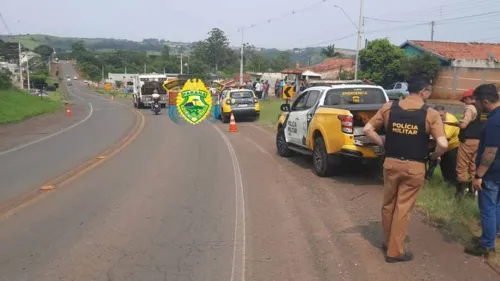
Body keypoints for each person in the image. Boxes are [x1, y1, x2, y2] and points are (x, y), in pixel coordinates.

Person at [363, 75, 448, 263]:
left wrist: (383, 145)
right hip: (414, 166)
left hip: (391, 163)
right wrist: (433, 156)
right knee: (403, 208)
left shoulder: (389, 108)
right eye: (429, 90)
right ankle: (395, 252)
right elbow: (443, 143)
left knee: (388, 204)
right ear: (424, 91)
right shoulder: (430, 114)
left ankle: (388, 241)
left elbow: (368, 129)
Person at [465, 84, 500, 258]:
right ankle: (492, 235)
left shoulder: (494, 122)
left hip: (491, 173)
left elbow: (490, 151)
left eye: (476, 101)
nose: (475, 104)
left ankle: (487, 245)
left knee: (487, 208)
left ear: (485, 101)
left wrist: (478, 175)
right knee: (497, 206)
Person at [455, 89, 486, 199]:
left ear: (469, 98)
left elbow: (463, 125)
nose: (464, 103)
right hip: (480, 141)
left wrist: (457, 123)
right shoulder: (484, 108)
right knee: (473, 167)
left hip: (468, 141)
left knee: (461, 166)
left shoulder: (470, 108)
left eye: (464, 100)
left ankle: (459, 193)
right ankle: (472, 193)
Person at [433, 105, 460, 187]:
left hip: (453, 145)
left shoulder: (450, 121)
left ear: (445, 112)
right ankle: (447, 181)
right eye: (438, 116)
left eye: (441, 115)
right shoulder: (437, 119)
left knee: (452, 165)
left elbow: (444, 138)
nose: (440, 117)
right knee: (444, 164)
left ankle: (454, 183)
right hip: (443, 146)